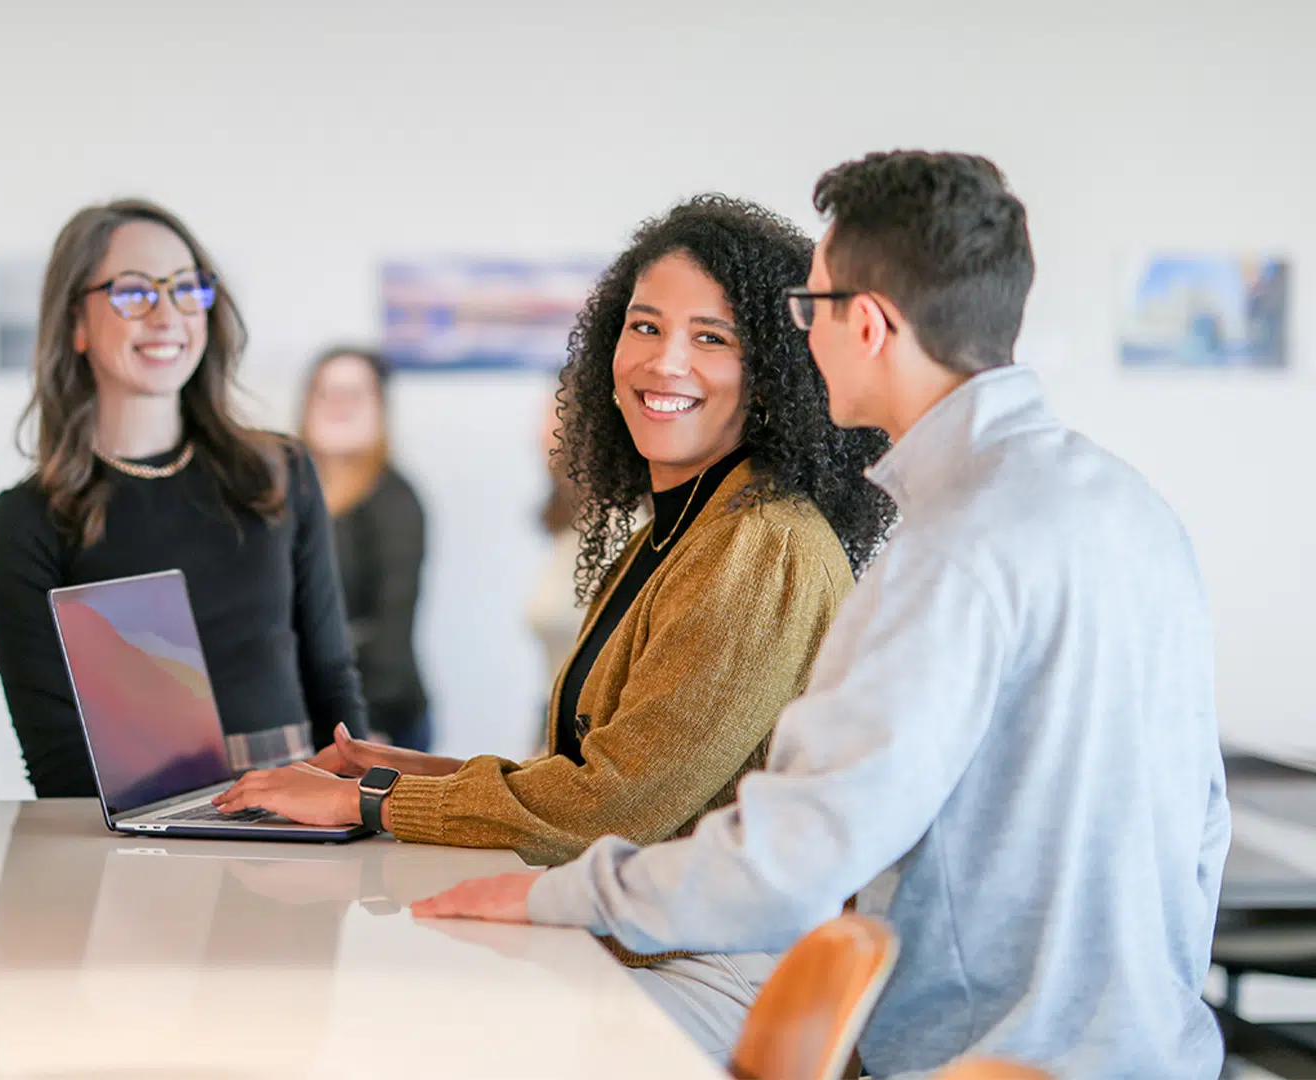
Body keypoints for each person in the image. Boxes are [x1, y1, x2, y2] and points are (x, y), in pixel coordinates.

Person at [414, 152, 1231, 1078]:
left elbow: (792, 854)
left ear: (870, 326)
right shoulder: (1131, 507)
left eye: (810, 309)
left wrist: (550, 900)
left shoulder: (953, 545)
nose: (797, 337)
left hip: (983, 1061)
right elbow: (1204, 821)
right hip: (1156, 1052)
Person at [216, 195, 893, 876]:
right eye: (646, 326)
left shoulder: (763, 544)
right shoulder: (679, 530)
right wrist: (409, 777)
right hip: (635, 933)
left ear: (773, 372)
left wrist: (369, 801)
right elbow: (595, 773)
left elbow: (614, 808)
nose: (665, 362)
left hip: (701, 962)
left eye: (712, 337)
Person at [0, 199, 368, 798]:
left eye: (186, 289)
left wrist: (359, 805)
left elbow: (333, 682)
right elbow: (58, 758)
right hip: (144, 850)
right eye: (133, 293)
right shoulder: (32, 520)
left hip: (300, 838)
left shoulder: (280, 472)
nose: (167, 315)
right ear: (75, 324)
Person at [299, 346, 430, 750]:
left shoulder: (395, 500)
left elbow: (392, 626)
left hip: (378, 722)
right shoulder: (285, 495)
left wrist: (370, 728)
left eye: (355, 394)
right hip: (306, 719)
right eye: (327, 392)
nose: (339, 405)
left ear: (380, 408)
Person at [525, 394, 586, 753]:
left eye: (556, 417)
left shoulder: (622, 530)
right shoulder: (571, 527)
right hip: (553, 722)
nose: (538, 435)